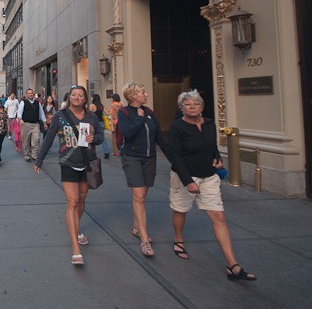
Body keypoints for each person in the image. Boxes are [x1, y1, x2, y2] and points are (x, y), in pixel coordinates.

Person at [168, 90, 257, 280]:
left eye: (196, 104)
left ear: (202, 106)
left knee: (219, 216)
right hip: (185, 176)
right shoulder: (177, 128)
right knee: (180, 210)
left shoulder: (209, 124)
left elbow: (212, 145)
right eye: (188, 104)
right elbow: (175, 157)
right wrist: (188, 181)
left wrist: (217, 158)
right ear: (182, 108)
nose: (192, 107)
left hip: (209, 177)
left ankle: (232, 264)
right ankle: (178, 239)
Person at [33, 85, 103, 265]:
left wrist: (93, 138)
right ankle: (75, 248)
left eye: (80, 95)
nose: (77, 98)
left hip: (87, 163)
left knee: (81, 200)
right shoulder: (60, 116)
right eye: (74, 95)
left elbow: (101, 136)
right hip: (68, 163)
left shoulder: (92, 117)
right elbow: (48, 138)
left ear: (85, 99)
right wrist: (39, 160)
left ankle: (76, 228)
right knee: (72, 201)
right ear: (69, 97)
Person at [117, 82, 171, 257]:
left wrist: (174, 160)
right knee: (138, 195)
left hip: (149, 158)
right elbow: (127, 133)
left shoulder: (150, 113)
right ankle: (145, 239)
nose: (146, 94)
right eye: (142, 92)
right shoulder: (124, 112)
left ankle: (136, 227)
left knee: (143, 194)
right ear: (133, 96)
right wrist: (139, 119)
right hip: (132, 157)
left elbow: (159, 138)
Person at [18, 88, 46, 163]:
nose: (30, 94)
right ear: (27, 94)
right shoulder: (23, 102)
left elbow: (41, 113)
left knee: (36, 140)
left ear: (33, 94)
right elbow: (19, 112)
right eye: (29, 93)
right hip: (26, 124)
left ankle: (34, 155)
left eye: (31, 93)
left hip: (35, 124)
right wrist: (20, 119)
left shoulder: (37, 103)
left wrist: (44, 122)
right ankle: (27, 155)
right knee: (26, 141)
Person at [89, 94, 113, 159]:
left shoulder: (92, 106)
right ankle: (106, 152)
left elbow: (89, 114)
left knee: (92, 137)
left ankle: (91, 152)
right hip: (102, 123)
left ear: (94, 98)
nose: (91, 98)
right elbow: (107, 113)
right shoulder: (101, 106)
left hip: (94, 123)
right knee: (102, 138)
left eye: (91, 97)